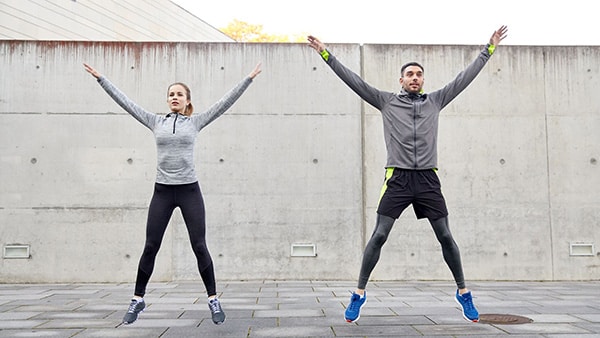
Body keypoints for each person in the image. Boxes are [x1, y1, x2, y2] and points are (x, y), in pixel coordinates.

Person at [308, 26, 508, 323]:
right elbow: (354, 81)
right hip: (398, 179)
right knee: (379, 235)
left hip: (428, 179)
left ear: (422, 79)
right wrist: (326, 54)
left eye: (419, 74)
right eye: (410, 74)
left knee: (446, 237)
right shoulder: (387, 101)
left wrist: (488, 49)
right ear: (401, 80)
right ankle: (359, 293)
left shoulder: (436, 100)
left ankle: (463, 293)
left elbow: (464, 78)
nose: (415, 78)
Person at [83, 62, 262, 325]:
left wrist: (248, 79)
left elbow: (225, 102)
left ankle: (213, 299)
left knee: (199, 245)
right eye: (171, 94)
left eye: (179, 94)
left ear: (187, 100)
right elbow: (126, 103)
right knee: (151, 246)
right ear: (167, 100)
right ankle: (137, 299)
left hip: (189, 191)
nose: (174, 97)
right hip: (162, 192)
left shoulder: (196, 122)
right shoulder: (155, 122)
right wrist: (102, 79)